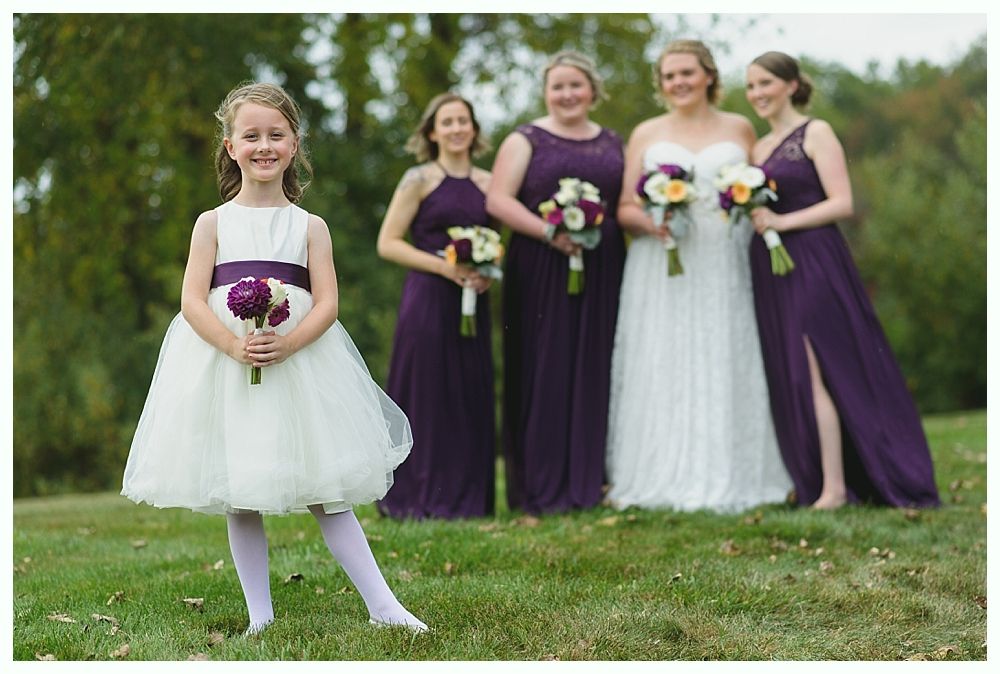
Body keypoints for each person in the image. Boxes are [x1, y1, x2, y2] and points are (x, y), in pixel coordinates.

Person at [121, 82, 428, 635]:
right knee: (242, 492)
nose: (264, 146)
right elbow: (191, 300)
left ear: (293, 144)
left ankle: (384, 605)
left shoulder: (310, 227)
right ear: (231, 146)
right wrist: (232, 343)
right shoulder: (212, 223)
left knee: (328, 490)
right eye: (251, 135)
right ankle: (260, 616)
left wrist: (289, 342)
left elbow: (329, 302)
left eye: (276, 135)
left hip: (301, 363)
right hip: (226, 364)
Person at [744, 52, 939, 509]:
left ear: (792, 85)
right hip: (771, 266)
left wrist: (781, 221)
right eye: (751, 86)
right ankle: (818, 478)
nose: (757, 94)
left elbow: (842, 202)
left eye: (766, 83)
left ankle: (835, 488)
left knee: (820, 366)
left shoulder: (816, 132)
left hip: (814, 260)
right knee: (794, 371)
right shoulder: (756, 148)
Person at [605, 39, 792, 511]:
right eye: (669, 76)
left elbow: (762, 190)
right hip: (662, 261)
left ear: (708, 75)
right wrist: (653, 222)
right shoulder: (647, 132)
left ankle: (739, 471)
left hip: (724, 259)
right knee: (664, 359)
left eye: (687, 73)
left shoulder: (740, 127)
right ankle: (658, 475)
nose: (678, 83)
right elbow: (624, 206)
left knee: (727, 353)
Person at [486, 50, 626, 514]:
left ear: (593, 90)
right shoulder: (526, 139)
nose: (567, 94)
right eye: (557, 87)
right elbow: (498, 201)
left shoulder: (612, 142)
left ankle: (592, 481)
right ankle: (540, 489)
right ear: (547, 93)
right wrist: (552, 232)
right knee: (543, 366)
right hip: (541, 266)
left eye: (575, 85)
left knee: (596, 365)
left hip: (604, 264)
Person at [375, 93, 496, 519]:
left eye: (464, 120)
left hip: (473, 301)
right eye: (447, 122)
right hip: (428, 297)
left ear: (474, 129)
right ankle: (415, 498)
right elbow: (387, 242)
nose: (457, 128)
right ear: (432, 131)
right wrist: (445, 269)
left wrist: (486, 269)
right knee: (426, 392)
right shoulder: (418, 179)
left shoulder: (489, 183)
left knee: (468, 393)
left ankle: (468, 500)